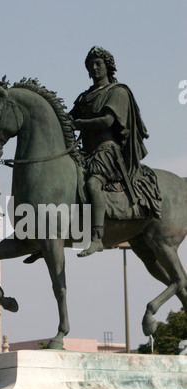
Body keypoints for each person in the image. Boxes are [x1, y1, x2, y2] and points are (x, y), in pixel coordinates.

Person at [69, 46, 150, 257]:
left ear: (108, 66)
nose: (94, 68)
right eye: (91, 65)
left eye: (99, 64)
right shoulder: (84, 97)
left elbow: (107, 121)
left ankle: (96, 238)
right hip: (84, 154)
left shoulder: (117, 92)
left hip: (107, 153)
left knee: (92, 184)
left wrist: (78, 123)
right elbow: (67, 120)